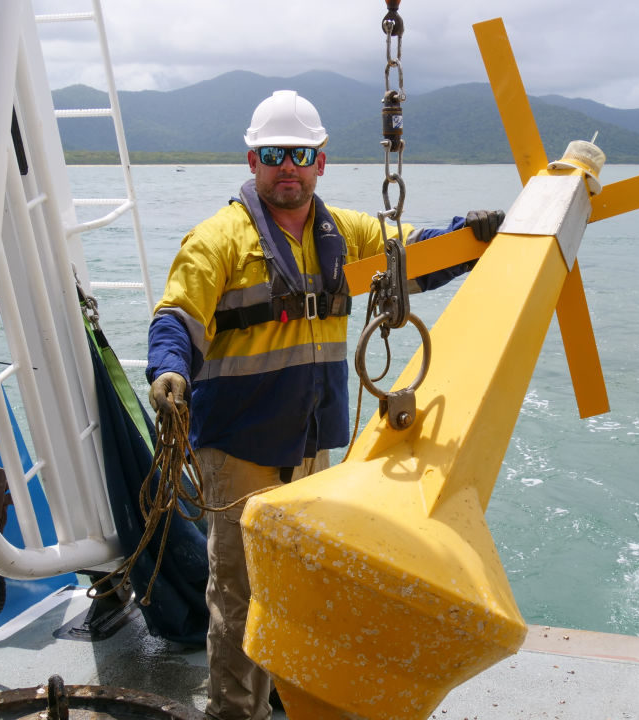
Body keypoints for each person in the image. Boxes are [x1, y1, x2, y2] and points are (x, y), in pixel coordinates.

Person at [145, 89, 502, 720]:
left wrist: (472, 239)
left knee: (303, 586)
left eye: (300, 154)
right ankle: (235, 713)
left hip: (313, 449)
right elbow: (178, 315)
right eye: (275, 154)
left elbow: (413, 258)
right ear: (253, 159)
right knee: (242, 593)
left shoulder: (348, 235)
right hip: (241, 453)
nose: (288, 166)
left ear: (321, 162)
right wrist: (168, 371)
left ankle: (293, 698)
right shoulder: (217, 240)